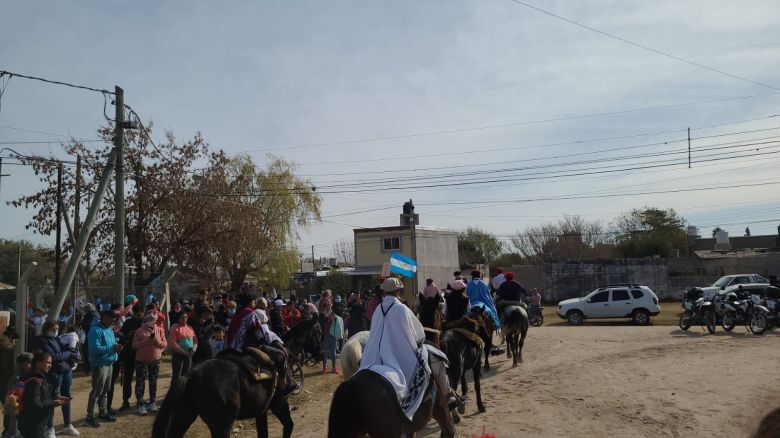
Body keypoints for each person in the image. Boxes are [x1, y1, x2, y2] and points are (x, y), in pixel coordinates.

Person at [358, 278, 459, 420]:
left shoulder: (377, 310)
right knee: (437, 359)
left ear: (384, 292)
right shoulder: (402, 309)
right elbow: (419, 336)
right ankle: (447, 396)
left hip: (373, 356)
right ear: (398, 291)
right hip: (396, 355)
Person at [226, 293, 298, 397]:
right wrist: (261, 344)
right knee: (280, 355)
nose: (255, 303)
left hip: (230, 348)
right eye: (254, 301)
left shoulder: (237, 314)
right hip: (245, 347)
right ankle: (284, 386)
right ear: (250, 302)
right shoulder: (251, 313)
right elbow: (258, 334)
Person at [31, 320, 77, 438]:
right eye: (53, 329)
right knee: (51, 399)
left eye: (57, 329)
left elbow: (62, 350)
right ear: (46, 329)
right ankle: (49, 428)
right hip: (53, 373)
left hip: (65, 370)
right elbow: (54, 357)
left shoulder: (56, 339)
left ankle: (68, 424)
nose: (56, 331)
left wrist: (70, 349)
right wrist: (69, 353)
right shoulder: (41, 341)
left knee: (66, 396)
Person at [17, 351, 70, 438]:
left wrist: (57, 398)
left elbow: (42, 397)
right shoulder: (35, 381)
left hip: (36, 424)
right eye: (48, 362)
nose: (51, 365)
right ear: (38, 363)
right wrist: (53, 403)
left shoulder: (40, 377)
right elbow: (35, 405)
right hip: (32, 426)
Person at [85, 310, 122, 428]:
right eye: (111, 319)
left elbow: (111, 343)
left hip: (109, 363)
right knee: (96, 391)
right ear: (104, 317)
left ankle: (103, 412)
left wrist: (116, 346)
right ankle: (90, 416)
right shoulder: (95, 330)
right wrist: (112, 347)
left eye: (114, 320)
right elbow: (94, 349)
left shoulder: (109, 329)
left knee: (105, 389)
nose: (113, 322)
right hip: (100, 365)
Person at [132, 311, 167, 416]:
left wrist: (159, 342)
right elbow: (134, 345)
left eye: (153, 319)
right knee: (140, 382)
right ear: (146, 319)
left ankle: (152, 402)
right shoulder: (139, 330)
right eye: (149, 319)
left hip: (156, 359)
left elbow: (165, 344)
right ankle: (141, 404)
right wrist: (146, 342)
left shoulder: (160, 330)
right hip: (141, 360)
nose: (151, 321)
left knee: (153, 381)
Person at [111, 303, 144, 412]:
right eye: (136, 315)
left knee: (141, 379)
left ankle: (140, 400)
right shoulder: (128, 322)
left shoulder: (145, 322)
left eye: (140, 315)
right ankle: (126, 401)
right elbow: (121, 335)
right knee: (127, 379)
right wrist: (128, 335)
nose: (138, 317)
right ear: (133, 313)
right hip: (129, 353)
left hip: (142, 353)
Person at [168, 312, 196, 389]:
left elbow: (195, 340)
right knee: (177, 375)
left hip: (189, 353)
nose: (184, 319)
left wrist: (193, 350)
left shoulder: (190, 327)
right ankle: (174, 393)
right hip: (178, 355)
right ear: (178, 318)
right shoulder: (174, 328)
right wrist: (184, 352)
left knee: (186, 374)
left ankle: (183, 392)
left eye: (186, 317)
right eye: (182, 317)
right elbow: (173, 343)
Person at [0, 328, 19, 438]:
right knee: (8, 406)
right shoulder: (7, 346)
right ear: (12, 338)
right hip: (3, 380)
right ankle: (8, 432)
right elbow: (8, 368)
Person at [321, 302, 343, 374]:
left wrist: (335, 318)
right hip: (326, 335)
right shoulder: (322, 314)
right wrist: (328, 317)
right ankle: (324, 367)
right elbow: (321, 323)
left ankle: (334, 368)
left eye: (330, 306)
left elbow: (338, 323)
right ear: (325, 307)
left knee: (333, 353)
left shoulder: (333, 315)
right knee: (325, 352)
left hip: (333, 335)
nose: (329, 307)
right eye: (328, 306)